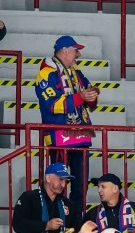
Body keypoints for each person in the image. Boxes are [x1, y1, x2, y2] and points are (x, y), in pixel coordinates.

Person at [36, 35, 99, 214]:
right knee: (57, 187)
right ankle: (57, 223)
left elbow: (89, 97)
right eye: (75, 50)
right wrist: (81, 97)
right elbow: (52, 105)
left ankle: (77, 221)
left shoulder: (76, 72)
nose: (78, 54)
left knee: (81, 187)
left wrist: (92, 95)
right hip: (59, 139)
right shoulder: (45, 73)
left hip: (82, 138)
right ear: (65, 51)